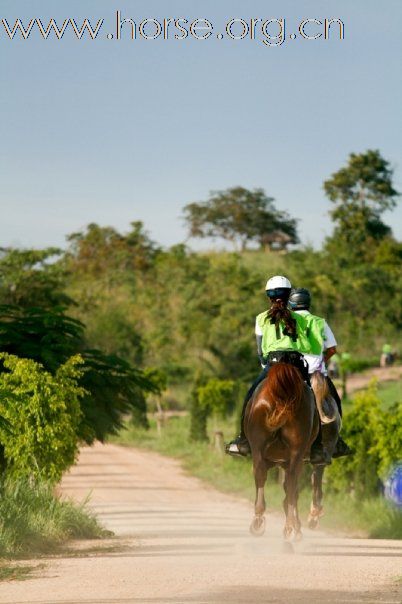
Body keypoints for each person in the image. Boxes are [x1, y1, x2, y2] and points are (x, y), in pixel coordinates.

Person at [225, 275, 330, 465]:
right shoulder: (300, 317)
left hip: (273, 363)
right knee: (313, 397)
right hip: (296, 364)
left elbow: (260, 350)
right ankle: (317, 447)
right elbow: (306, 346)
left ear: (268, 296)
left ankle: (242, 439)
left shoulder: (260, 318)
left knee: (251, 395)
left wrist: (266, 364)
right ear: (289, 295)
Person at [288, 287, 352, 458]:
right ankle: (337, 441)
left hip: (293, 371)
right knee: (335, 400)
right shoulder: (320, 322)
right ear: (308, 303)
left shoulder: (287, 319)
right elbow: (332, 349)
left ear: (291, 303)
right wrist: (322, 360)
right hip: (315, 373)